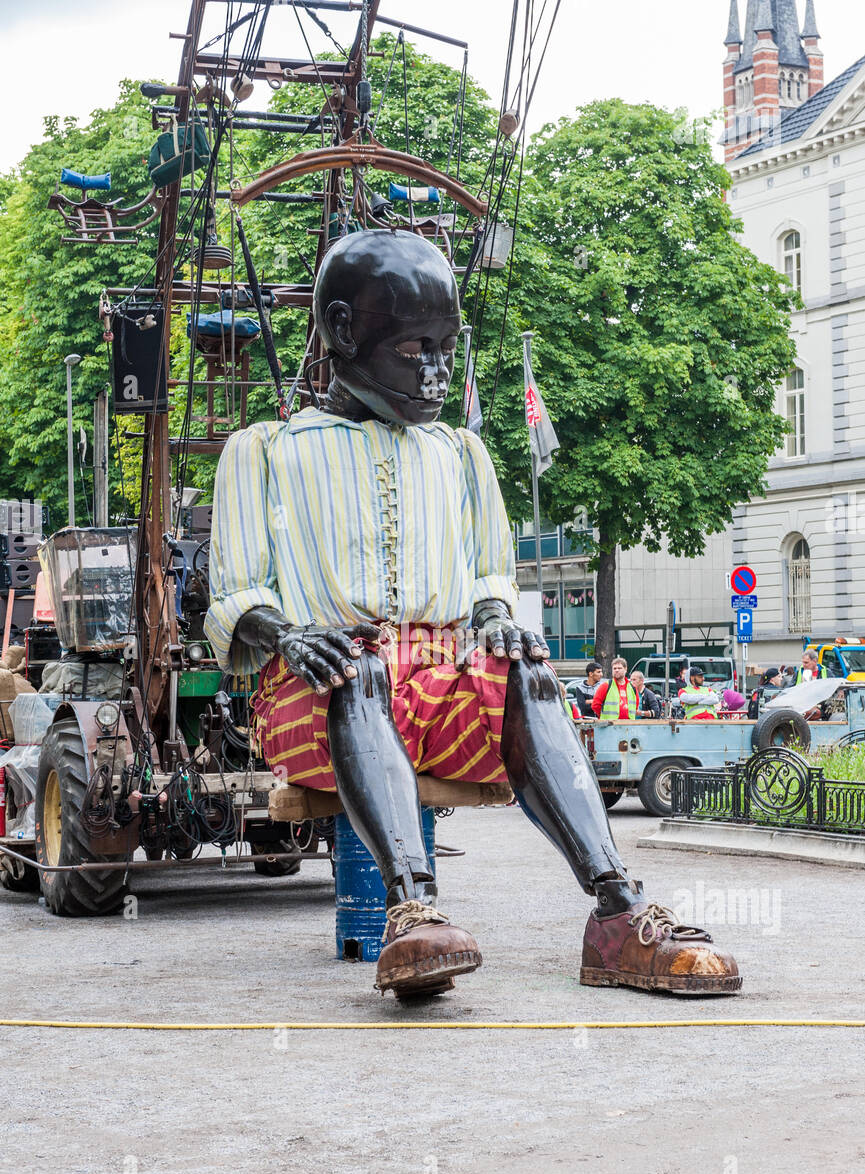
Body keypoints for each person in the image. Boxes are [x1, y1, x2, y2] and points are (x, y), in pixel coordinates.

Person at [206, 229, 740, 999]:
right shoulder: (260, 450)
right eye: (413, 349)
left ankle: (618, 914)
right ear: (345, 331)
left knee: (526, 667)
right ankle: (413, 911)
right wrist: (287, 634)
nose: (433, 374)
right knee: (359, 665)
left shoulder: (460, 453)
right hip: (313, 691)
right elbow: (235, 594)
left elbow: (491, 575)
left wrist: (496, 618)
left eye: (444, 352)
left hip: (436, 682)